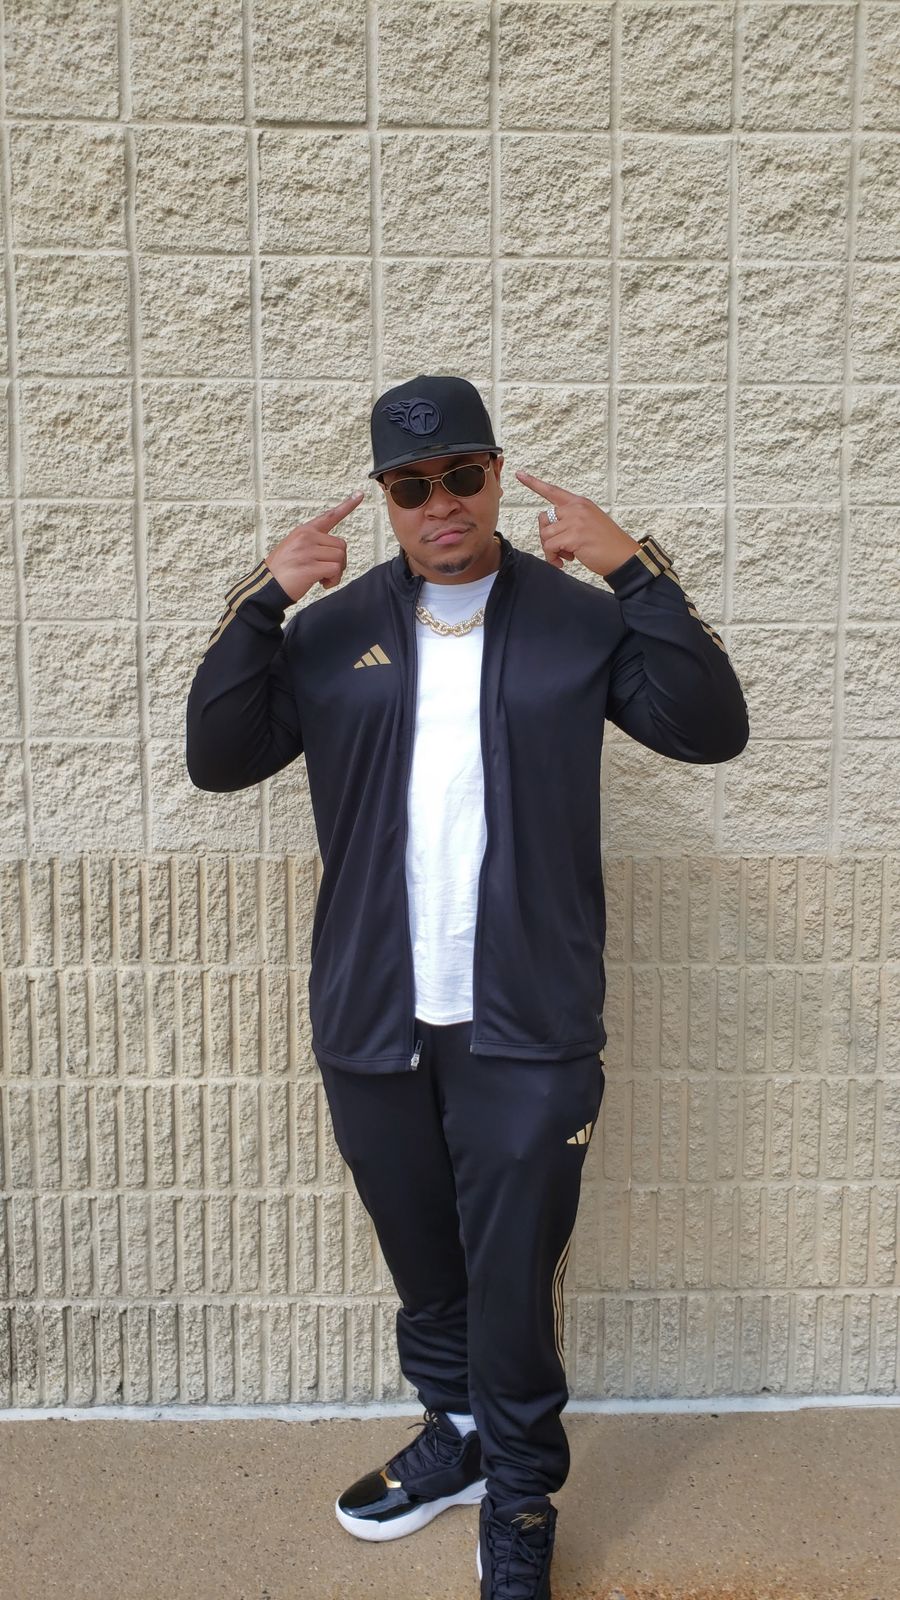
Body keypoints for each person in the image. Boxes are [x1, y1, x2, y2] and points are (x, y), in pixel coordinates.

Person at [185, 373, 750, 1600]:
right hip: (375, 1014)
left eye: (462, 476)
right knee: (423, 1255)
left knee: (510, 1270)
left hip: (528, 1018)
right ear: (386, 498)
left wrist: (637, 573)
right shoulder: (331, 633)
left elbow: (710, 728)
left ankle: (523, 1492)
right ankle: (457, 1431)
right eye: (412, 485)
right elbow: (220, 757)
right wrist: (262, 602)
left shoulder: (576, 621)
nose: (440, 503)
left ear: (495, 475)